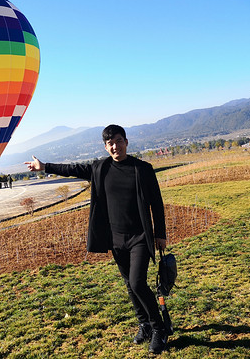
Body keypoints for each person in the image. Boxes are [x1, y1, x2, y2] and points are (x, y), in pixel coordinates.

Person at [25, 124, 168, 354]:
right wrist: (44, 167)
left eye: (119, 141)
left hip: (140, 236)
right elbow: (72, 168)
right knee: (130, 286)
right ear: (105, 146)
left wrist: (160, 233)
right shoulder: (100, 168)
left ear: (126, 142)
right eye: (110, 143)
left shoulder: (142, 169)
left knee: (138, 283)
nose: (115, 146)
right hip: (116, 238)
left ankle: (159, 328)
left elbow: (157, 204)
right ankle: (144, 325)